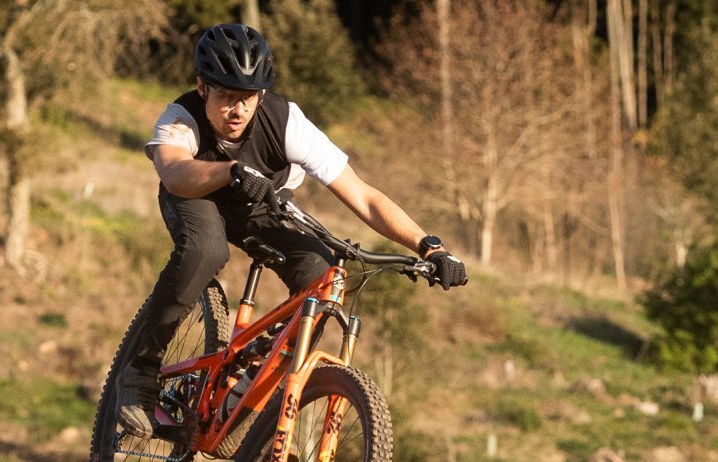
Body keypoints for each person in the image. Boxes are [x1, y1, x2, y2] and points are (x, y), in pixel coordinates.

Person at [114, 23, 467, 436]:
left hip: (260, 207)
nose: (237, 110)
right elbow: (174, 174)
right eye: (225, 96)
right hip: (195, 196)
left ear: (260, 95)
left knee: (324, 277)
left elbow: (364, 196)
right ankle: (139, 373)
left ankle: (247, 393)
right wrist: (230, 171)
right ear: (202, 87)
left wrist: (429, 247)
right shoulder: (180, 118)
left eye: (246, 99)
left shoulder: (286, 122)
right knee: (205, 252)